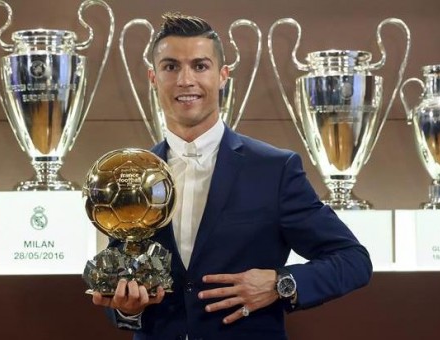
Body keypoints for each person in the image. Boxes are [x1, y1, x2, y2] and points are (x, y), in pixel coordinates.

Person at [91, 12, 372, 340]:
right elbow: (122, 285)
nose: (185, 80)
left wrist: (280, 283)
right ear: (153, 78)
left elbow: (354, 260)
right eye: (170, 67)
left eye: (200, 66)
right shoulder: (132, 174)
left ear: (223, 75)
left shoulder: (274, 170)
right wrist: (127, 308)